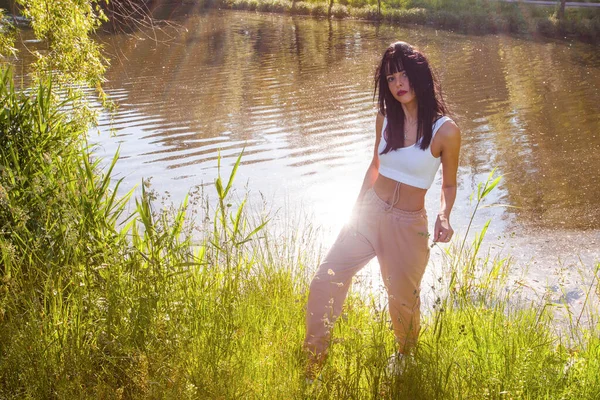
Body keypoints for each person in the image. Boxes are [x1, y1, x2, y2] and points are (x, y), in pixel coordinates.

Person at [303, 41, 461, 378]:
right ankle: (314, 359)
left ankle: (405, 361)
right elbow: (375, 165)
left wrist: (444, 214)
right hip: (369, 212)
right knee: (325, 279)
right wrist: (355, 210)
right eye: (391, 78)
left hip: (408, 225)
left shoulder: (445, 131)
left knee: (403, 303)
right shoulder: (385, 118)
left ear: (420, 76)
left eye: (404, 75)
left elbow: (448, 184)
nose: (399, 84)